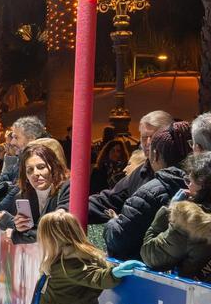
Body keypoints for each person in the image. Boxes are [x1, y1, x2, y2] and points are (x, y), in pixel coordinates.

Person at [104, 122, 192, 260]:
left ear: (155, 155)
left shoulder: (149, 192)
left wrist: (113, 222)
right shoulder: (199, 186)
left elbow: (119, 239)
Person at [88, 110, 174, 223]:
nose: (148, 143)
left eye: (153, 137)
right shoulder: (140, 173)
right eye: (144, 137)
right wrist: (69, 208)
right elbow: (109, 199)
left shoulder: (183, 173)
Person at [0, 144, 70, 244]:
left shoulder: (66, 188)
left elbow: (55, 229)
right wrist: (14, 223)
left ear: (53, 167)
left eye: (41, 167)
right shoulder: (24, 192)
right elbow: (33, 229)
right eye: (30, 170)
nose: (35, 173)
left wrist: (16, 235)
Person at [142, 152, 211, 281]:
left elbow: (150, 255)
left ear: (202, 185)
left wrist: (170, 211)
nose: (187, 185)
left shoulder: (192, 220)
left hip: (195, 296)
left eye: (189, 181)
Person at [0, 116, 45, 210]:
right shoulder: (19, 160)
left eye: (16, 137)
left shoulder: (39, 159)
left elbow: (16, 190)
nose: (12, 142)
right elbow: (3, 180)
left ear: (31, 139)